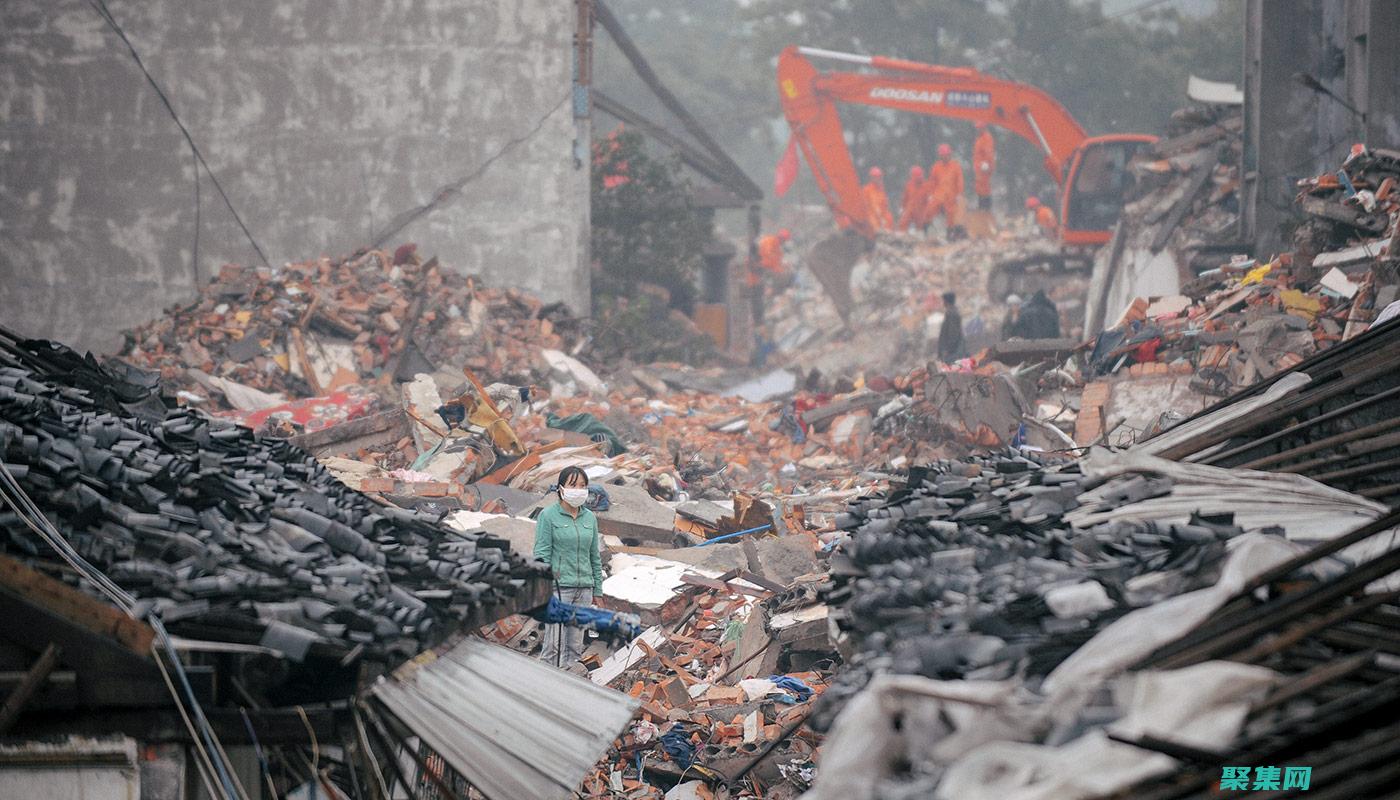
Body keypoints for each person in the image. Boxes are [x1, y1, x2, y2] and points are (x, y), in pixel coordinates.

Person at [533, 466, 603, 671]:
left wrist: (597, 590)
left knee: (574, 647)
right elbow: (541, 554)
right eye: (573, 485)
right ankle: (544, 687)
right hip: (559, 588)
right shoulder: (548, 516)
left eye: (583, 486)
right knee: (553, 646)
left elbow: (594, 556)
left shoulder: (589, 518)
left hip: (584, 590)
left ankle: (569, 690)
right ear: (561, 488)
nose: (578, 489)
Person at [748, 228, 790, 326]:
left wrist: (781, 269)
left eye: (783, 240)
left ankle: (760, 314)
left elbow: (777, 263)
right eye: (782, 239)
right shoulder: (769, 241)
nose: (782, 241)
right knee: (757, 294)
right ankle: (757, 318)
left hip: (762, 271)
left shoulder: (778, 249)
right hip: (758, 268)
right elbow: (768, 256)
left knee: (762, 294)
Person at [928, 144, 966, 235]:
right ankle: (929, 230)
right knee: (929, 210)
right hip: (939, 196)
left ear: (950, 155)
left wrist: (959, 194)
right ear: (940, 156)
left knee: (952, 214)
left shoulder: (955, 166)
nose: (945, 157)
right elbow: (932, 182)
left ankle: (951, 232)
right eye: (943, 155)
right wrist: (931, 195)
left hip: (952, 196)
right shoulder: (936, 167)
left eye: (946, 155)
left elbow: (960, 181)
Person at [937, 291, 968, 363]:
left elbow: (952, 334)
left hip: (953, 353)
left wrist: (948, 350)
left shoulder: (951, 314)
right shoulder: (952, 312)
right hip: (953, 351)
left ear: (946, 301)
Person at [973, 123, 996, 211]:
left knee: (985, 187)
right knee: (980, 187)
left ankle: (985, 207)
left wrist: (987, 163)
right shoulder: (980, 138)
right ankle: (982, 206)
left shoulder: (986, 138)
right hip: (980, 167)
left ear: (984, 127)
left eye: (980, 128)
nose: (978, 130)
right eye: (978, 128)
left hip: (984, 167)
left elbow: (988, 152)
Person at [897, 165, 925, 231]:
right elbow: (905, 198)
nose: (918, 179)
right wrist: (902, 208)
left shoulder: (925, 186)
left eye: (919, 176)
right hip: (910, 210)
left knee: (922, 224)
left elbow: (928, 201)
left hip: (921, 211)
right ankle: (902, 236)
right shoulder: (909, 185)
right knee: (903, 222)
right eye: (916, 176)